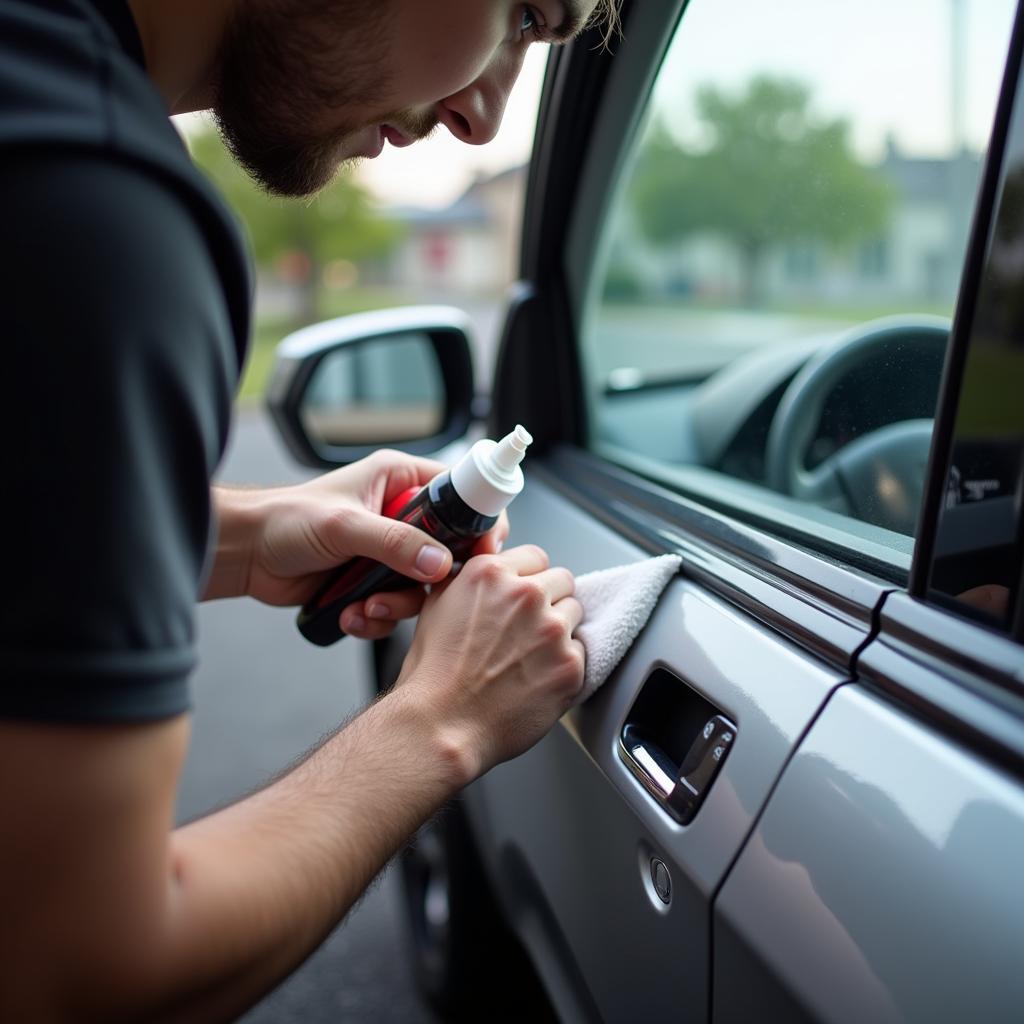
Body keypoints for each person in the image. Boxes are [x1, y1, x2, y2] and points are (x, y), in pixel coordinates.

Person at [0, 0, 616, 1018]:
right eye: (523, 15)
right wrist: (440, 723)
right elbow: (74, 970)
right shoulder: (94, 215)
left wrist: (236, 537)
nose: (485, 123)